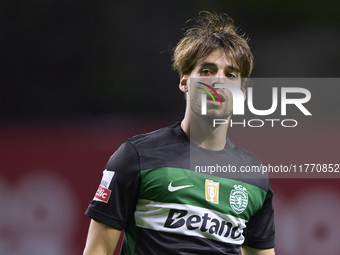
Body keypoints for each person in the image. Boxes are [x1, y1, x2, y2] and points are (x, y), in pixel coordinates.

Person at [83, 11, 275, 255]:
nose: (218, 81)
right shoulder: (136, 156)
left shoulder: (253, 176)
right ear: (184, 81)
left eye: (230, 74)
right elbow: (97, 250)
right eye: (207, 71)